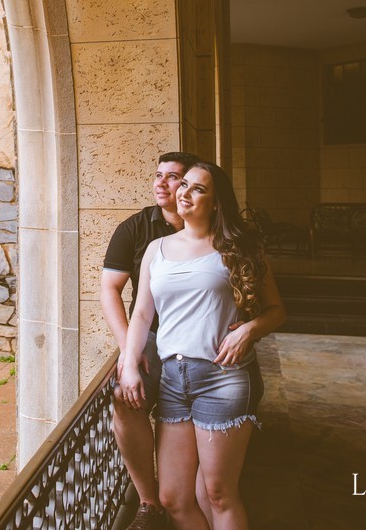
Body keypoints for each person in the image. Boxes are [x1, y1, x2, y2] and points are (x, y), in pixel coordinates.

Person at [120, 161, 286, 530]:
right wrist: (129, 363)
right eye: (184, 184)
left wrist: (249, 330)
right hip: (172, 381)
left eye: (198, 188)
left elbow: (277, 311)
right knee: (173, 498)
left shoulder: (239, 248)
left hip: (222, 379)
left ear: (215, 203)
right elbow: (142, 314)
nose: (184, 192)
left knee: (218, 494)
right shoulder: (156, 249)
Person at [101, 151, 201, 530]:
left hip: (198, 340)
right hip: (153, 337)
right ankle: (148, 502)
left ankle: (190, 493)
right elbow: (109, 289)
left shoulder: (211, 227)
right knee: (126, 399)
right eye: (158, 175)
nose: (161, 183)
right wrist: (130, 349)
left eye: (172, 176)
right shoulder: (136, 228)